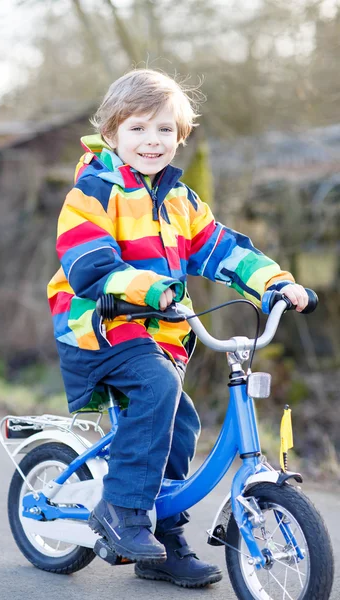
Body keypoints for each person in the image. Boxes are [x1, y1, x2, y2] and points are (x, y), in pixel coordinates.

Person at [47, 69, 308, 588]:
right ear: (113, 131)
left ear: (180, 136)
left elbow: (223, 249)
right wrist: (150, 288)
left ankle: (162, 543)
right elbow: (90, 265)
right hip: (98, 325)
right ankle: (122, 510)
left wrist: (275, 283)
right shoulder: (93, 192)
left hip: (159, 332)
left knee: (179, 424)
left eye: (165, 130)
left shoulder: (180, 199)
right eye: (139, 129)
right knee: (157, 386)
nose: (152, 141)